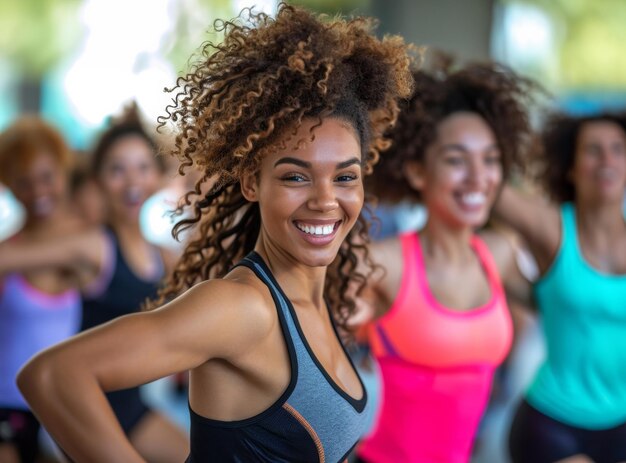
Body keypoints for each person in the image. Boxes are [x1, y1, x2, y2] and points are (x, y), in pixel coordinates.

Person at [13, 4, 413, 462]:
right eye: (295, 177)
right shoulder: (242, 308)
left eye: (345, 177)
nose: (325, 200)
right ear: (251, 182)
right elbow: (53, 375)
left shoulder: (317, 296)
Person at [353, 59, 537, 463]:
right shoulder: (382, 263)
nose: (478, 177)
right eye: (457, 160)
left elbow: (562, 301)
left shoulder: (501, 253)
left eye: (490, 159)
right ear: (417, 171)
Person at [0, 105, 189, 463]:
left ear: (156, 177)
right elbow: (9, 257)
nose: (132, 180)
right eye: (118, 169)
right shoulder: (91, 245)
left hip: (131, 404)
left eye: (142, 168)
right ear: (98, 179)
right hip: (81, 405)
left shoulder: (163, 256)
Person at [498, 111, 626, 463]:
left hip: (621, 425)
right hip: (553, 425)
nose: (607, 160)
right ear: (570, 167)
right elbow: (489, 186)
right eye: (593, 150)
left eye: (618, 149)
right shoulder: (552, 228)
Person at [0, 116, 83, 463]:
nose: (37, 191)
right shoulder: (8, 250)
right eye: (23, 182)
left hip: (61, 407)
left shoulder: (88, 237)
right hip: (6, 406)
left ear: (64, 172)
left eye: (46, 177)